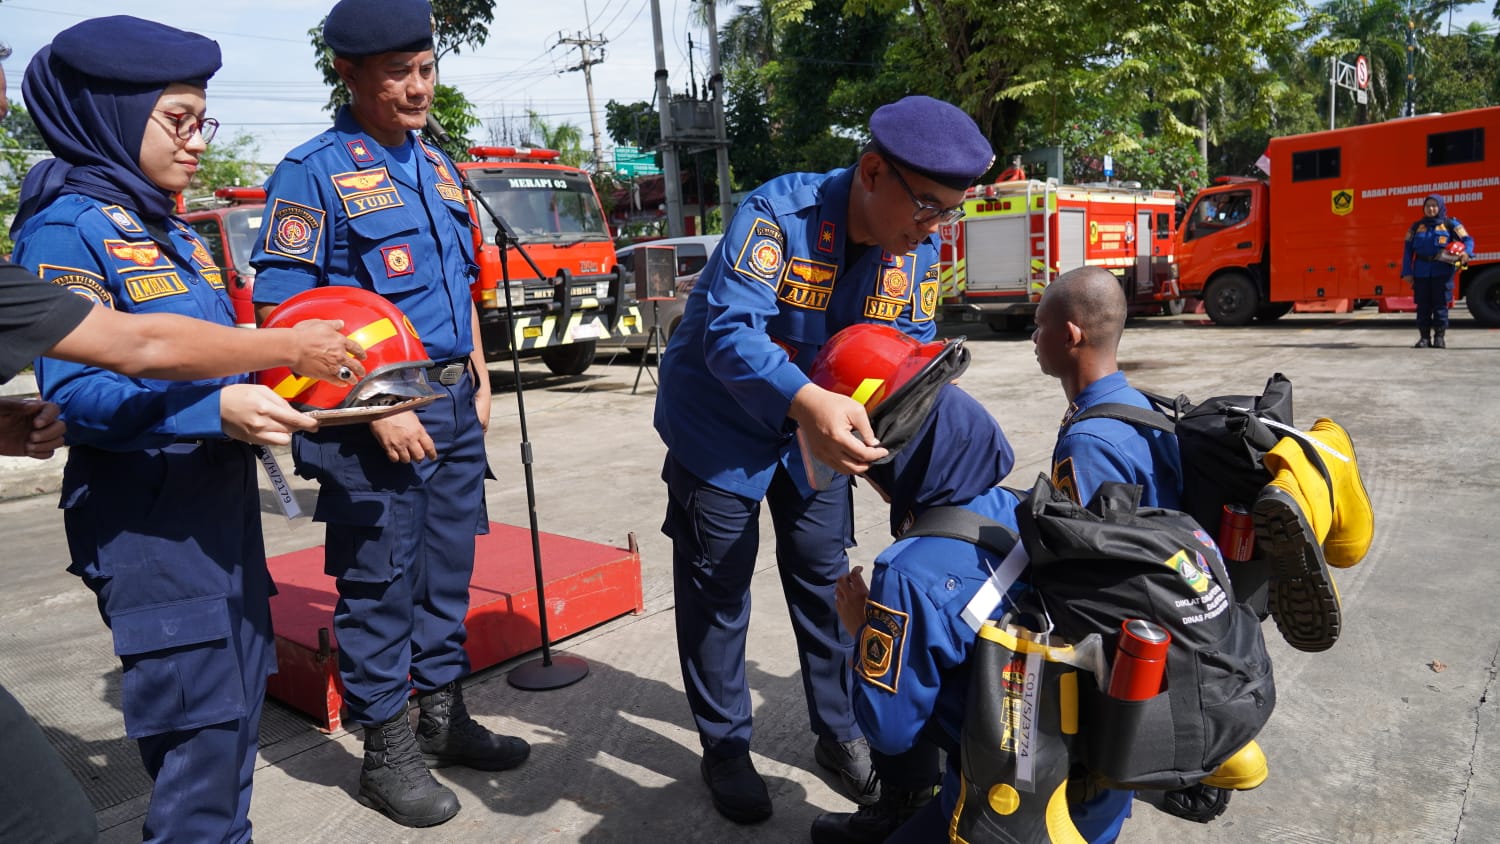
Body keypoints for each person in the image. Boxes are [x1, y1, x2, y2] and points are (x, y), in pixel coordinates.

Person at [8, 16, 344, 842]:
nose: (197, 141)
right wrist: (215, 409)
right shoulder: (70, 226)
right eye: (179, 120)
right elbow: (80, 391)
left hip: (215, 521)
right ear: (117, 118)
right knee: (197, 768)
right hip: (152, 532)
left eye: (205, 121)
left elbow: (206, 354)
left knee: (227, 751)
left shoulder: (163, 226)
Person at [654, 94, 994, 823]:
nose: (936, 229)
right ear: (873, 171)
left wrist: (891, 467)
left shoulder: (918, 253)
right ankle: (725, 747)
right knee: (719, 588)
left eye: (949, 213)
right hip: (720, 423)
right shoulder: (778, 216)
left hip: (821, 438)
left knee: (823, 575)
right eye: (929, 208)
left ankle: (839, 733)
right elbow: (729, 336)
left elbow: (909, 366)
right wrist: (808, 403)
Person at [249, 0, 523, 829]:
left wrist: (475, 374)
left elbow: (463, 282)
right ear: (349, 73)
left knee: (445, 571)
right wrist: (377, 405)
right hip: (371, 417)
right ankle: (387, 750)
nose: (417, 88)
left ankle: (442, 717)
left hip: (450, 404)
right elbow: (288, 316)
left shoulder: (437, 164)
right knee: (381, 584)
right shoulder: (313, 171)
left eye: (426, 69)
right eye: (397, 74)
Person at [1400, 193, 1473, 349]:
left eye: (1434, 206)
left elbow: (1467, 239)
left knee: (1440, 305)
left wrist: (1467, 252)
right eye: (1428, 206)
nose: (1431, 209)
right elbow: (1407, 251)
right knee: (1423, 306)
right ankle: (1424, 338)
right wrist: (1407, 271)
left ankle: (1440, 337)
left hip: (1443, 272)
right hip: (1421, 272)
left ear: (1440, 207)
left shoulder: (1450, 224)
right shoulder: (1416, 227)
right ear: (1423, 208)